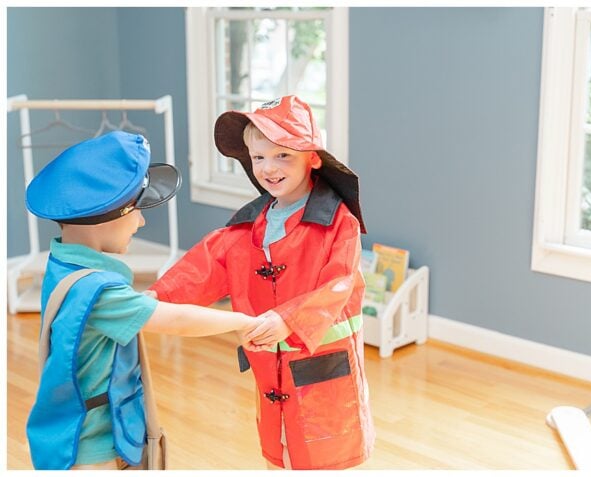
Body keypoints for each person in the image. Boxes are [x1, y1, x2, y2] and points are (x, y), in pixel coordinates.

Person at [148, 96, 373, 470]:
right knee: (279, 452)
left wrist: (288, 319)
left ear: (312, 157)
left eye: (283, 155)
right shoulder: (247, 227)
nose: (268, 168)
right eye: (258, 157)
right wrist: (150, 301)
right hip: (271, 370)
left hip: (325, 371)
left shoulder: (338, 223)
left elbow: (339, 283)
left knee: (324, 455)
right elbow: (201, 268)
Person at [24, 131, 264, 470]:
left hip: (77, 430)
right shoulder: (100, 291)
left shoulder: (63, 264)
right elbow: (177, 321)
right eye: (136, 210)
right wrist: (244, 321)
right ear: (106, 218)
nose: (142, 220)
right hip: (91, 445)